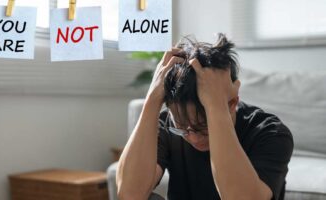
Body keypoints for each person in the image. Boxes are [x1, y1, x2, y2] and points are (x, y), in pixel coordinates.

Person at [116, 33, 294, 200]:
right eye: (182, 128)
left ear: (233, 103)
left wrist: (216, 106)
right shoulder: (167, 124)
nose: (193, 137)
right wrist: (152, 100)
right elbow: (130, 194)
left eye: (202, 127)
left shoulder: (270, 133)